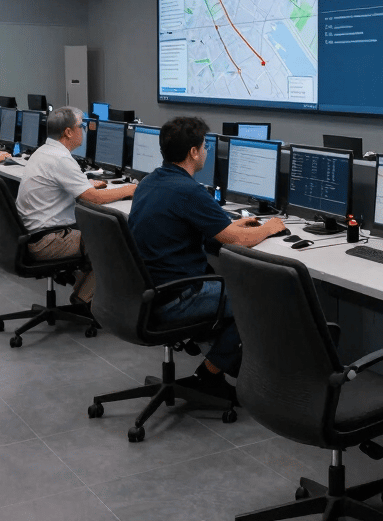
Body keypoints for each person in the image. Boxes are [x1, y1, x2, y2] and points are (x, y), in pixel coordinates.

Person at [128, 116, 286, 400]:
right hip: (175, 297)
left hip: (148, 292)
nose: (207, 151)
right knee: (258, 299)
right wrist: (270, 227)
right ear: (193, 152)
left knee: (233, 287)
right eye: (205, 146)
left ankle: (225, 360)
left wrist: (238, 227)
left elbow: (221, 230)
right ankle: (210, 374)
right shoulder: (188, 191)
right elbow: (238, 240)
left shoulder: (151, 181)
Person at [16, 106, 136, 302]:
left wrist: (84, 183)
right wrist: (130, 189)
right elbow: (94, 198)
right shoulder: (61, 158)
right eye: (81, 126)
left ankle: (83, 293)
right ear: (68, 132)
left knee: (99, 234)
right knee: (114, 245)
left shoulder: (44, 152)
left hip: (33, 235)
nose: (84, 131)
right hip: (48, 241)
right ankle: (84, 299)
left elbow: (66, 184)